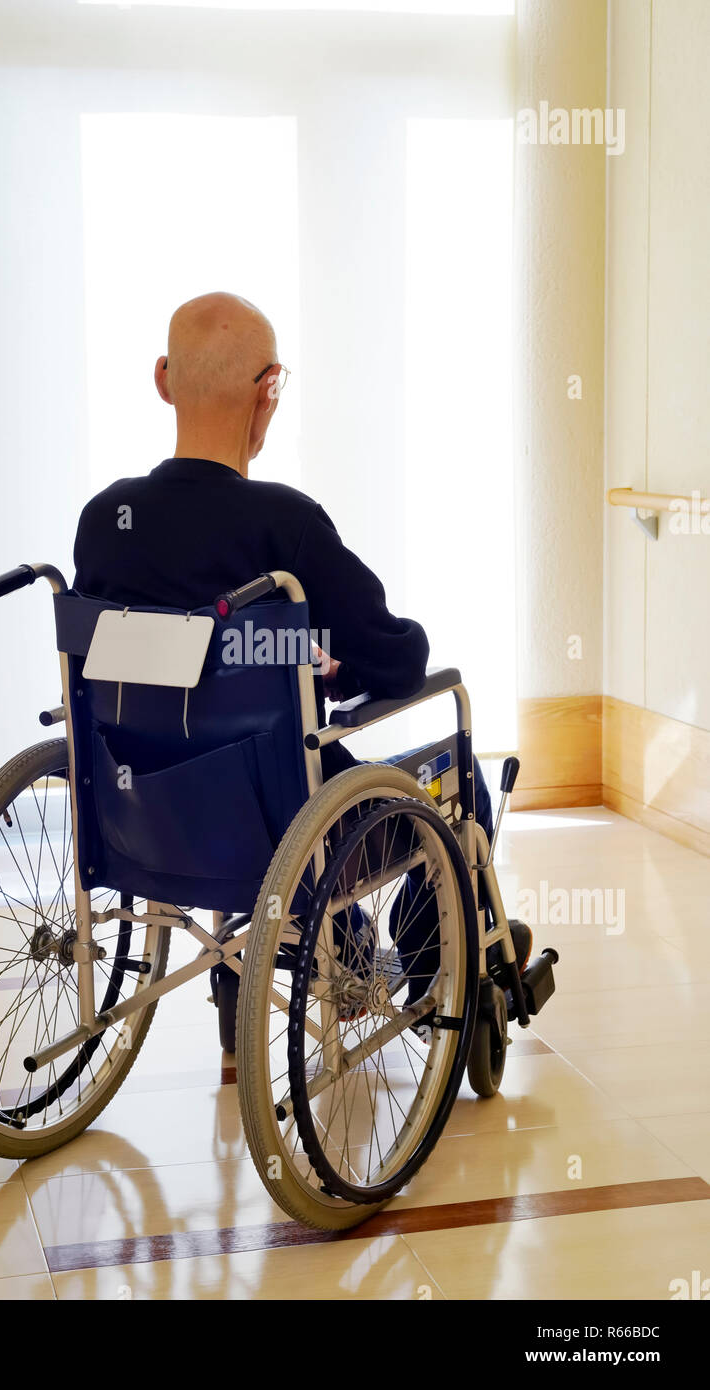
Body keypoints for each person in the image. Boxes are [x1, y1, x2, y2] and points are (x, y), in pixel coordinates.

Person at [73, 292, 527, 1000]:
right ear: (269, 389)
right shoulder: (282, 525)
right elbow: (395, 658)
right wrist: (338, 669)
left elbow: (170, 667)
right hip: (285, 831)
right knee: (458, 775)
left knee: (245, 755)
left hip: (140, 823)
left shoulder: (104, 522)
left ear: (163, 379)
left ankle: (288, 979)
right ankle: (427, 972)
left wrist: (297, 659)